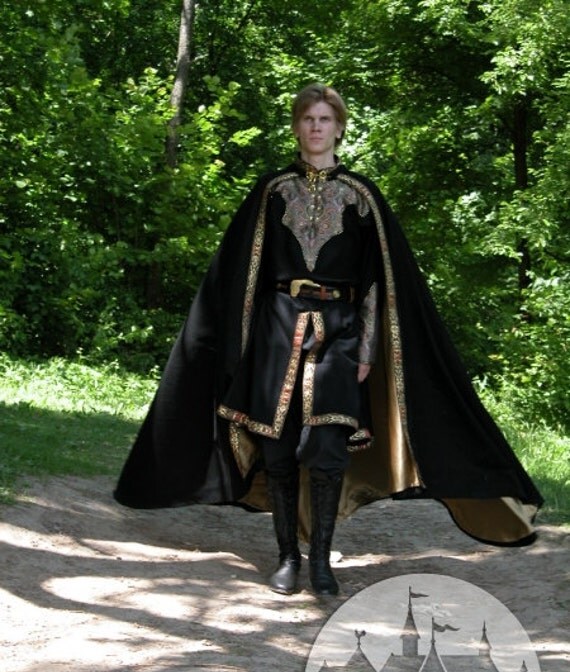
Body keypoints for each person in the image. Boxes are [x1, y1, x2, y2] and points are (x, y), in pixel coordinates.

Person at [114, 83, 543, 596]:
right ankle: (287, 557)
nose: (315, 127)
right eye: (307, 119)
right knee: (277, 451)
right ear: (297, 127)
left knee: (327, 448)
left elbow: (377, 280)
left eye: (324, 119)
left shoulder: (362, 196)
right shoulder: (272, 191)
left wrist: (366, 348)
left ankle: (320, 560)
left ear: (339, 127)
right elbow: (243, 274)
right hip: (276, 330)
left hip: (340, 332)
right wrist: (242, 347)